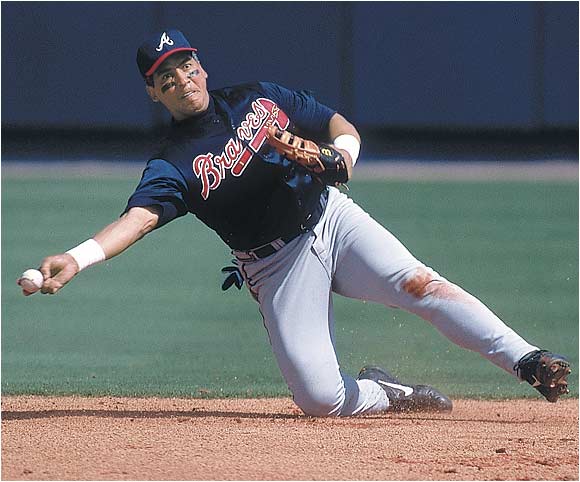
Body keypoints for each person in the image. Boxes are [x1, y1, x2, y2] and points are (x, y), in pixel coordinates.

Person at [19, 29, 571, 417]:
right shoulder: (173, 162)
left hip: (330, 216)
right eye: (165, 76)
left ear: (201, 65)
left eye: (185, 64)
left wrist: (345, 156)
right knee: (319, 400)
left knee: (419, 284)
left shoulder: (259, 98)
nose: (181, 78)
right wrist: (79, 256)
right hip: (275, 265)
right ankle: (389, 393)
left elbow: (335, 123)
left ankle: (528, 360)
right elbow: (136, 221)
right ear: (152, 92)